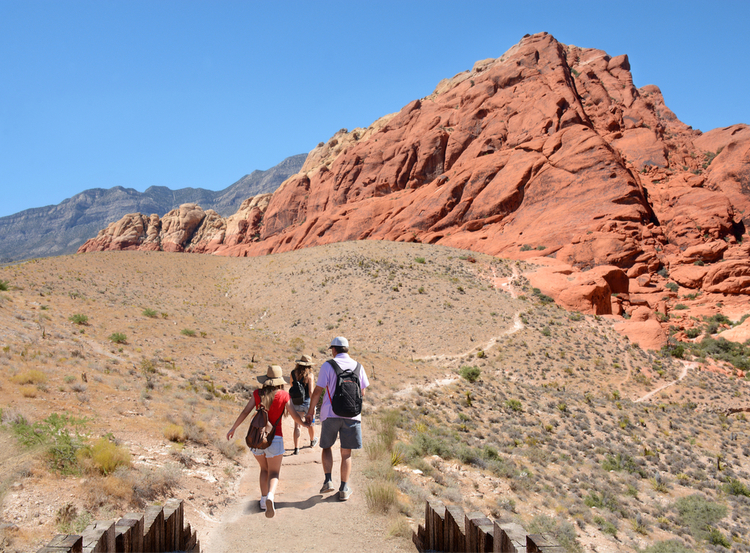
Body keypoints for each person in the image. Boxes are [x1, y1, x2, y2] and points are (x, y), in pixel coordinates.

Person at [226, 365, 308, 518]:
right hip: (275, 438)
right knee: (274, 472)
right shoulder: (284, 395)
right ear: (279, 381)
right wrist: (305, 424)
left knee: (264, 469)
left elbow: (245, 412)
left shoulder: (257, 394)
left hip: (257, 438)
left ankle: (263, 501)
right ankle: (270, 496)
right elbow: (295, 416)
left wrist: (233, 428)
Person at [305, 336, 369, 501]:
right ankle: (344, 488)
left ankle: (328, 481)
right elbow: (362, 393)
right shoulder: (358, 366)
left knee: (327, 447)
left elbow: (318, 391)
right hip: (352, 416)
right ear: (347, 349)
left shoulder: (328, 365)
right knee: (346, 453)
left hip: (330, 414)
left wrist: (311, 412)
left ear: (334, 349)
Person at [289, 354, 318, 454]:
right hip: (307, 402)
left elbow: (292, 386)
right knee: (311, 423)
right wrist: (313, 406)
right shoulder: (310, 375)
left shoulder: (293, 373)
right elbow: (311, 392)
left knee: (297, 425)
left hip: (296, 402)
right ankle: (312, 441)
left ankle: (296, 448)